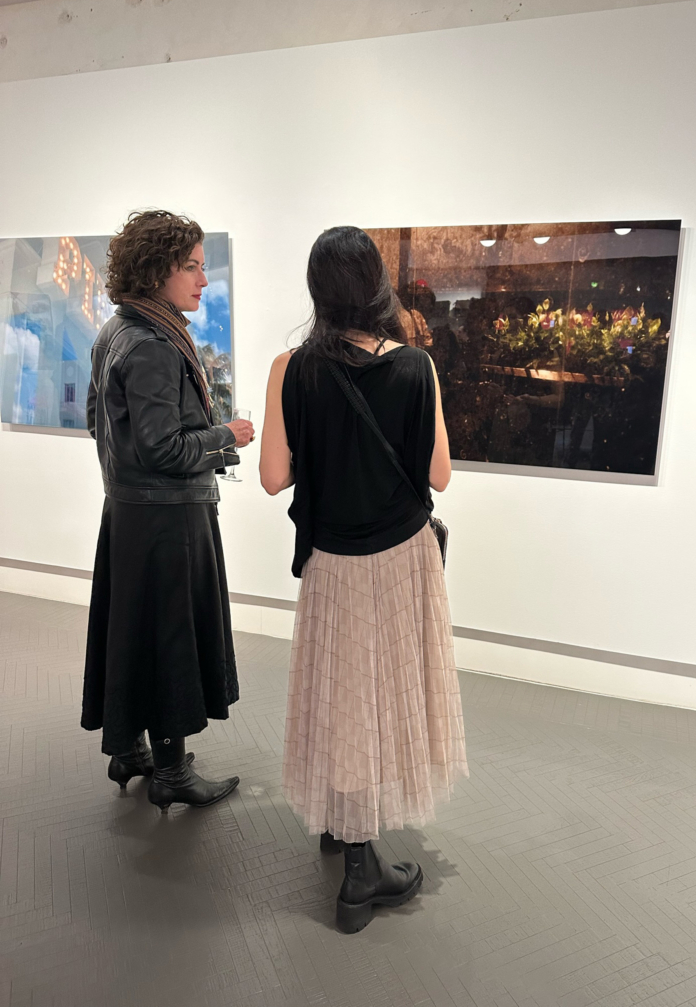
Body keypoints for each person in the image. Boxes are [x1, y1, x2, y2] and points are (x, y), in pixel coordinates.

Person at [259, 226, 468, 933]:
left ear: (317, 290)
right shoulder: (415, 367)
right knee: (385, 693)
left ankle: (342, 823)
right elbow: (439, 475)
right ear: (378, 285)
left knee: (342, 691)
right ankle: (360, 872)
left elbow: (274, 478)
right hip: (402, 555)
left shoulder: (291, 368)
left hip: (333, 560)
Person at [81, 210, 255, 812]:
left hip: (130, 515)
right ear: (157, 271)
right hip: (168, 521)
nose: (203, 280)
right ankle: (173, 773)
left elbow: (98, 423)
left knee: (134, 632)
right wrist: (226, 435)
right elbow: (163, 448)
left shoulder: (115, 332)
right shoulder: (154, 345)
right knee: (170, 638)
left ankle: (130, 750)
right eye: (191, 267)